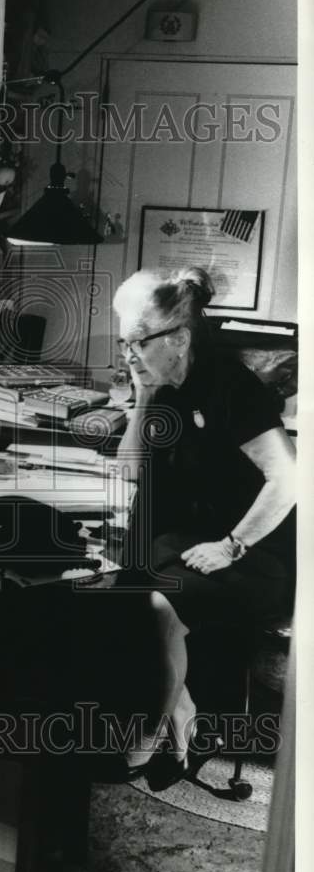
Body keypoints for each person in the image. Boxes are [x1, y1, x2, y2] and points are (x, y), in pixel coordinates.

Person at [111, 266, 296, 788]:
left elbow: (289, 479)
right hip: (190, 540)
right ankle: (180, 712)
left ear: (180, 338)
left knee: (153, 603)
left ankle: (149, 739)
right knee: (120, 592)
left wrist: (233, 546)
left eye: (138, 342)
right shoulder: (164, 385)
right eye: (123, 343)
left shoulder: (232, 389)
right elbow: (130, 470)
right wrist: (142, 396)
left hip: (256, 554)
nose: (129, 354)